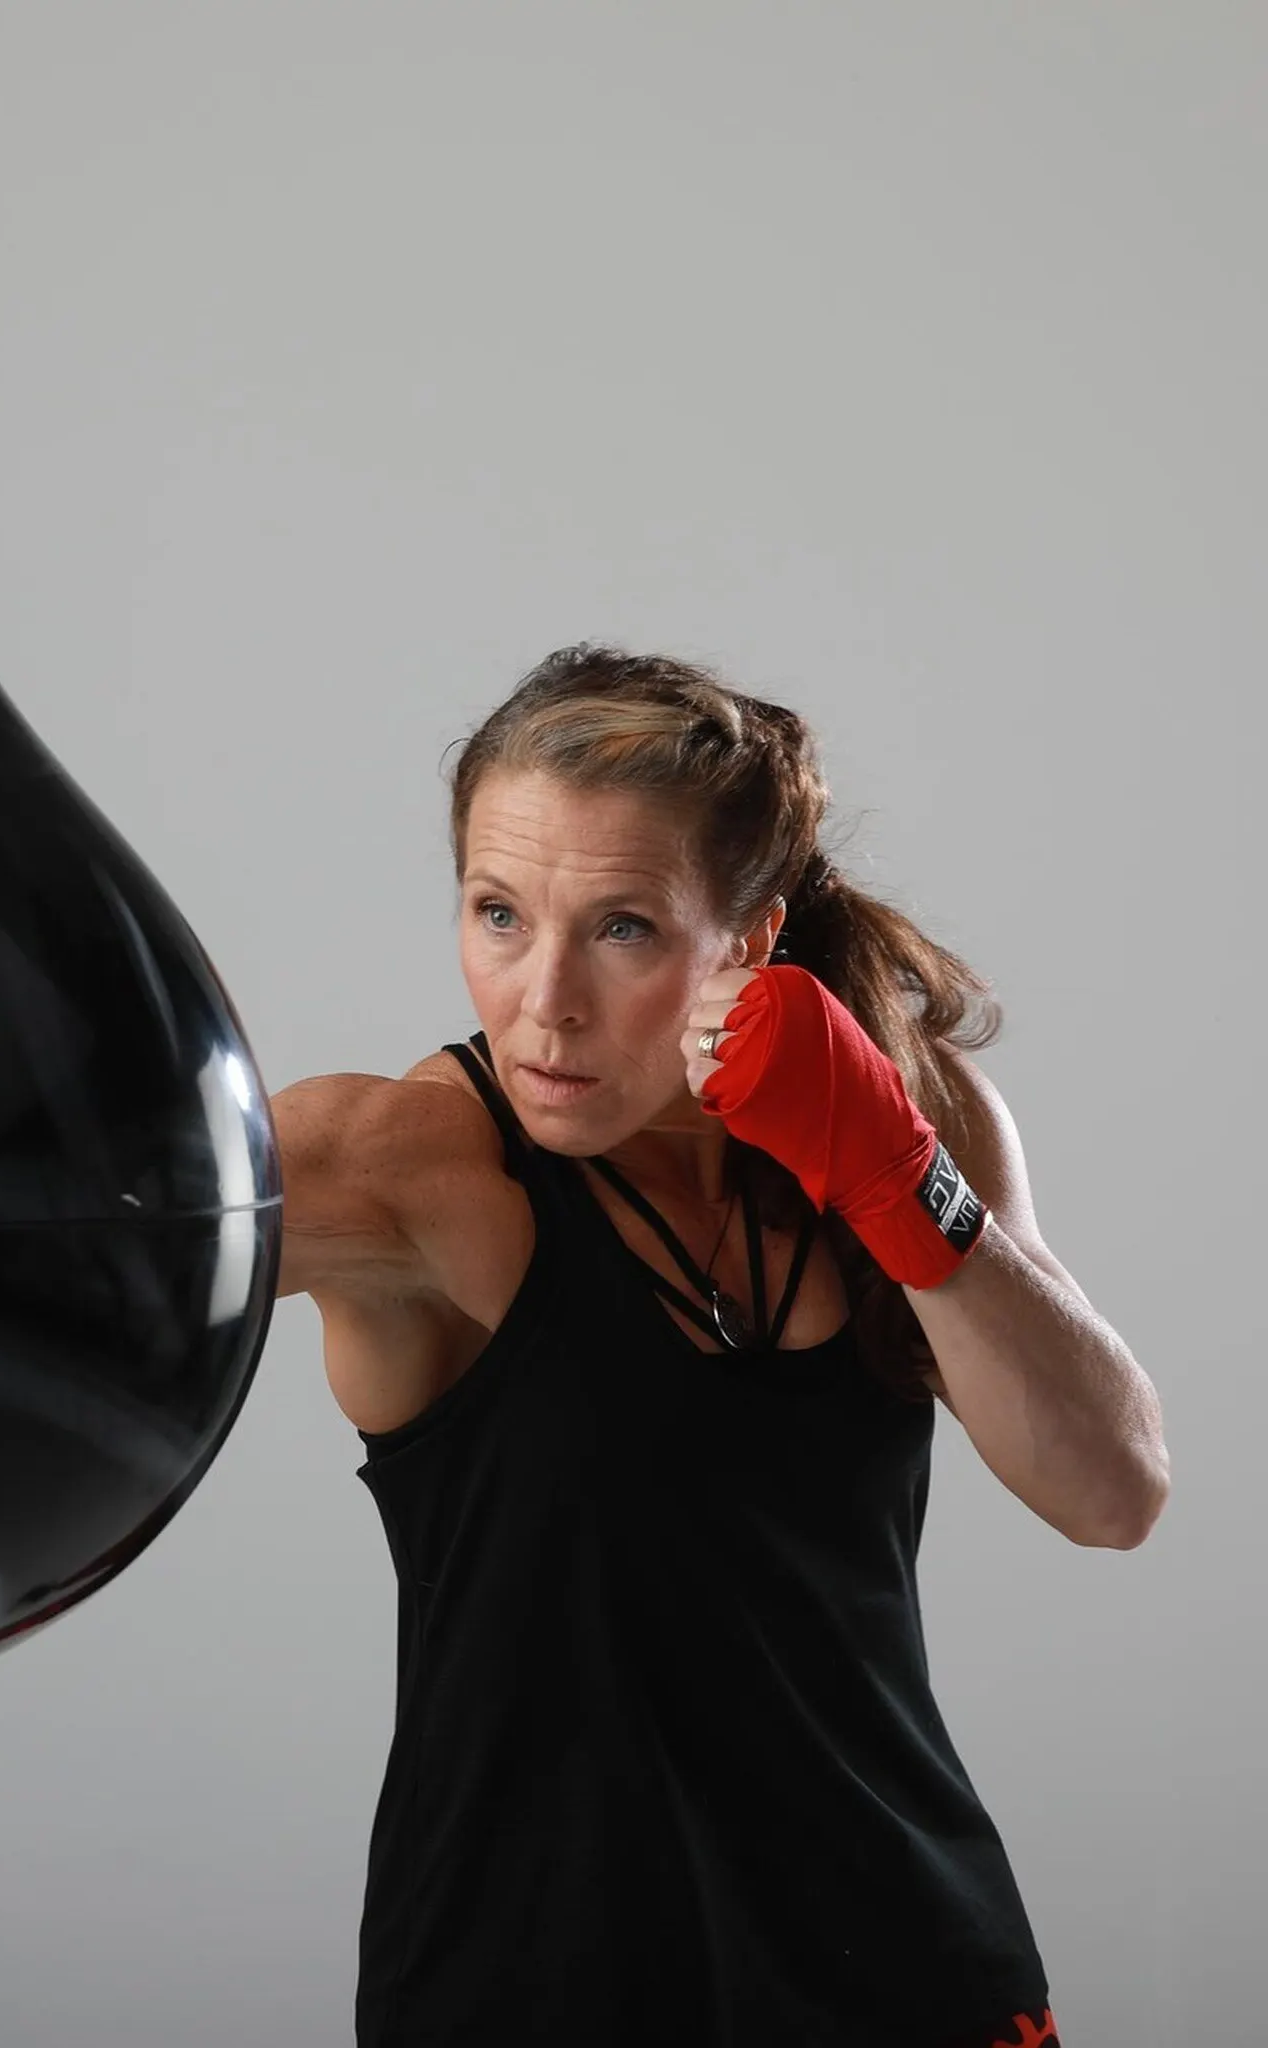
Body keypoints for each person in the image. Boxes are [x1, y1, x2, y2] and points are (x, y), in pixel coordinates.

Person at [270, 645, 1168, 2047]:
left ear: (744, 941)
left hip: (916, 1980)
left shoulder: (909, 1112)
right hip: (527, 1994)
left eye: (621, 927)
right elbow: (70, 1229)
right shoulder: (409, 1166)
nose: (543, 998)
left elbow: (1114, 1490)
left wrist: (896, 1178)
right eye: (497, 914)